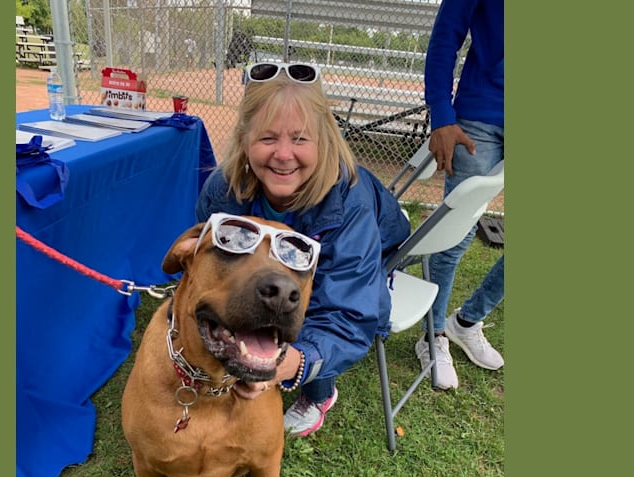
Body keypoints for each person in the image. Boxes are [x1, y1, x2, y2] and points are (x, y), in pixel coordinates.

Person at [195, 61, 410, 436]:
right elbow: (208, 270)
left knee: (307, 306)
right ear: (244, 139)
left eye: (299, 139)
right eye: (267, 138)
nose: (283, 154)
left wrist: (293, 363)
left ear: (324, 140)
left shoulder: (350, 201)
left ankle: (319, 394)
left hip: (373, 243)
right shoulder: (221, 189)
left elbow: (348, 310)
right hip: (289, 258)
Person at [416, 0, 505, 390]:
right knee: (457, 232)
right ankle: (432, 335)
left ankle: (465, 323)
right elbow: (446, 36)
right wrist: (442, 114)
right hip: (480, 115)